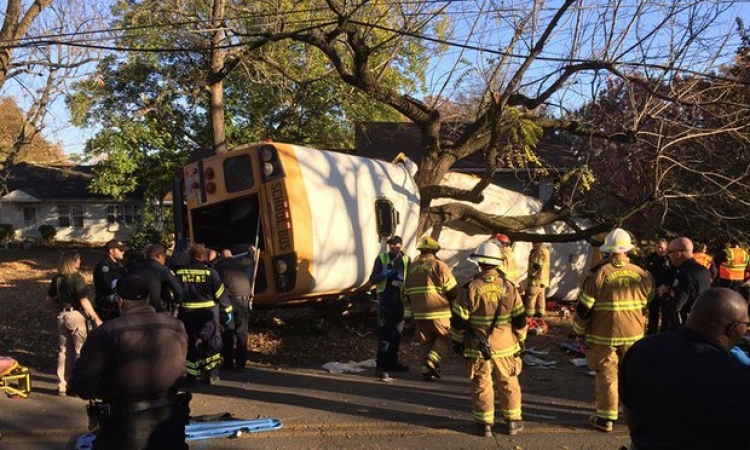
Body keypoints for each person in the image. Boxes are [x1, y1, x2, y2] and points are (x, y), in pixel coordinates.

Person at [70, 273, 189, 449]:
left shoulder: (107, 333)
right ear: (148, 298)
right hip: (170, 419)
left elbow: (84, 384)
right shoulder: (175, 325)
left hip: (125, 424)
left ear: (119, 301)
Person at [620, 288, 750, 450]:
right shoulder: (739, 376)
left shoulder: (642, 349)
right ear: (732, 328)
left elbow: (630, 409)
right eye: (746, 324)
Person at [571, 227, 653, 432]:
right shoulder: (642, 274)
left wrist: (578, 332)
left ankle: (606, 418)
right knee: (632, 374)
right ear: (627, 250)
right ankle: (637, 413)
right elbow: (648, 300)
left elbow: (584, 308)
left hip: (604, 335)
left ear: (607, 251)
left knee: (607, 374)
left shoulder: (598, 274)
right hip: (634, 335)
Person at [451, 242, 527, 437]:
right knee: (508, 382)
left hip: (478, 347)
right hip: (506, 346)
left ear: (479, 264)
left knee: (481, 384)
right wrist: (521, 339)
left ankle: (485, 424)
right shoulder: (509, 287)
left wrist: (458, 342)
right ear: (497, 264)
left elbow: (459, 322)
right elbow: (519, 319)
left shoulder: (469, 288)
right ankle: (512, 422)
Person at [45, 251, 102, 396]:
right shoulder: (77, 279)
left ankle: (62, 384)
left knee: (63, 351)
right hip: (76, 315)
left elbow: (49, 299)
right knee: (80, 350)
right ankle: (78, 384)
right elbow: (84, 300)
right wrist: (95, 317)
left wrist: (58, 310)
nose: (80, 262)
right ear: (73, 262)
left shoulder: (57, 279)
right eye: (79, 260)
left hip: (62, 315)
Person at [175, 244, 233, 385]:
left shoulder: (180, 272)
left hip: (187, 314)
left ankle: (191, 376)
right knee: (212, 343)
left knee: (190, 344)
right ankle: (211, 374)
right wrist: (228, 310)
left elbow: (174, 293)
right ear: (203, 257)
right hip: (208, 314)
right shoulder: (210, 273)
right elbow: (220, 294)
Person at [403, 236, 459, 380]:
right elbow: (452, 291)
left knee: (425, 341)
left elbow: (406, 293)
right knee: (444, 337)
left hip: (418, 312)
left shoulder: (412, 268)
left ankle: (426, 371)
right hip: (438, 311)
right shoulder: (438, 265)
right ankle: (432, 360)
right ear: (435, 251)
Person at [368, 235, 410, 381]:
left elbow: (410, 278)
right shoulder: (382, 258)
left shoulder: (406, 259)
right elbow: (372, 280)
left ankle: (393, 363)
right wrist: (384, 275)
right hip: (385, 300)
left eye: (397, 245)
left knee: (396, 334)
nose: (394, 247)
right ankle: (381, 367)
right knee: (384, 335)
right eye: (391, 245)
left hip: (399, 300)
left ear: (401, 246)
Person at [215, 246, 256, 373]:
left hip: (229, 301)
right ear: (231, 256)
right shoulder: (240, 262)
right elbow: (251, 259)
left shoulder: (219, 266)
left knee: (228, 331)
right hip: (243, 299)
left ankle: (228, 363)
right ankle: (240, 365)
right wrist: (251, 251)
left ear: (221, 257)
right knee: (242, 332)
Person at [661, 237, 711, 331]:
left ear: (677, 253)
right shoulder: (704, 270)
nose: (668, 256)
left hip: (686, 326)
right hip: (701, 321)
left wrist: (665, 293)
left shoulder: (684, 273)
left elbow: (675, 306)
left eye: (669, 252)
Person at [128, 243, 183, 313]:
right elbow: (178, 291)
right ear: (158, 256)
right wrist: (176, 302)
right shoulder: (163, 270)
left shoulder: (133, 268)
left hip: (134, 309)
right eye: (164, 258)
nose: (165, 260)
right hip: (156, 309)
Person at [643, 238, 673, 334]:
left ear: (666, 248)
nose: (659, 250)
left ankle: (664, 334)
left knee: (665, 314)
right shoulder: (652, 257)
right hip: (654, 289)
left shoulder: (670, 259)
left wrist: (668, 287)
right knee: (653, 312)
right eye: (657, 247)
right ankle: (651, 333)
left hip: (666, 289)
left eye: (661, 248)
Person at [93, 239, 128, 321]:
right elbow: (110, 286)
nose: (123, 252)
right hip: (107, 303)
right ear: (112, 251)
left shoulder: (118, 264)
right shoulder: (104, 267)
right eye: (120, 250)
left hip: (116, 301)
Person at [525, 242, 550, 318]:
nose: (533, 244)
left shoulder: (539, 251)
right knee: (541, 298)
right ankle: (540, 313)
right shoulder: (546, 250)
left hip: (535, 280)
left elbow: (537, 265)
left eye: (534, 242)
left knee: (531, 297)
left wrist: (532, 274)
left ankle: (529, 314)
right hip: (542, 281)